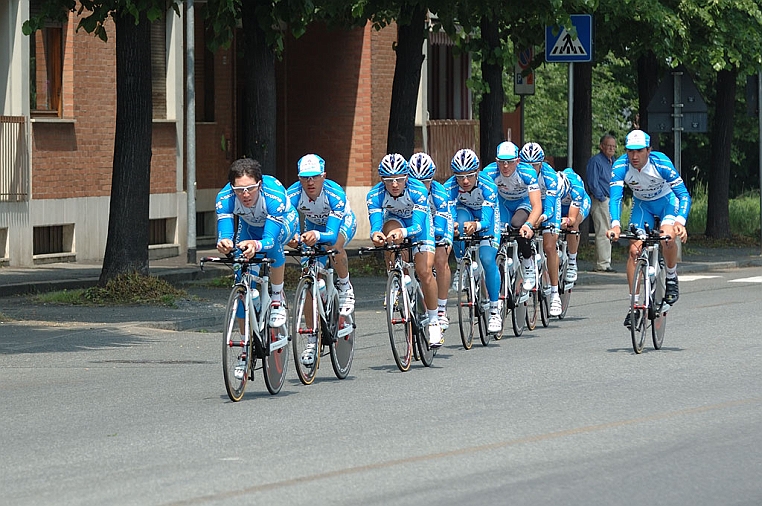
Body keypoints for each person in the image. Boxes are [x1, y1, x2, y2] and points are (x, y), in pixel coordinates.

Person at [606, 130, 691, 329]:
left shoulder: (660, 163)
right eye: (630, 152)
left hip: (667, 202)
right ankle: (634, 305)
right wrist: (615, 225)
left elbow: (684, 195)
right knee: (634, 250)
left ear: (648, 150)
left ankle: (671, 276)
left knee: (666, 238)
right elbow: (616, 198)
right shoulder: (620, 166)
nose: (634, 157)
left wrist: (680, 222)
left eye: (639, 151)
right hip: (642, 205)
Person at [286, 154, 357, 366]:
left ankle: (345, 287)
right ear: (299, 178)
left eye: (315, 177)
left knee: (333, 247)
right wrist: (292, 237)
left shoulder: (334, 193)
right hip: (314, 225)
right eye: (305, 178)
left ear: (323, 176)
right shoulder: (292, 194)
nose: (310, 182)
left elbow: (331, 235)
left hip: (340, 224)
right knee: (309, 279)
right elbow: (286, 222)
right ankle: (311, 338)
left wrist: (316, 236)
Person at [366, 153, 442, 348]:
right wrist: (376, 235)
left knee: (424, 272)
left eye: (399, 179)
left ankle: (434, 321)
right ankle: (395, 277)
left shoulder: (418, 190)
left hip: (420, 226)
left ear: (406, 177)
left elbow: (417, 227)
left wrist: (404, 232)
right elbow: (375, 225)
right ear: (382, 179)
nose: (394, 184)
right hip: (395, 221)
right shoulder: (374, 195)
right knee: (388, 233)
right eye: (389, 180)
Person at [215, 158, 298, 333]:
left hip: (283, 224)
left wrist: (255, 244)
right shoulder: (225, 198)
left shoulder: (274, 195)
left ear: (259, 185)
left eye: (250, 188)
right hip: (250, 227)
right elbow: (226, 234)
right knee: (241, 282)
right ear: (232, 187)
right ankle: (246, 349)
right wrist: (225, 243)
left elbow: (268, 239)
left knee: (272, 245)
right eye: (239, 190)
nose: (245, 194)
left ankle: (277, 298)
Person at [443, 148, 503, 334]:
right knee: (457, 224)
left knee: (486, 258)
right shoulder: (449, 187)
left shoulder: (488, 185)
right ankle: (462, 265)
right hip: (466, 214)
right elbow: (450, 214)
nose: (465, 181)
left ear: (477, 172)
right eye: (460, 177)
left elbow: (485, 220)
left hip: (488, 218)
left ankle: (494, 310)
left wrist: (476, 226)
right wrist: (452, 226)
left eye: (469, 176)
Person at [481, 141, 544, 291]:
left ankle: (528, 262)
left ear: (517, 161)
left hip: (523, 202)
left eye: (509, 162)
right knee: (497, 231)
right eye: (501, 162)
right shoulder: (489, 173)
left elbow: (537, 206)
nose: (505, 166)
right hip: (503, 204)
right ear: (496, 161)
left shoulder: (527, 173)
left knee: (517, 225)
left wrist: (528, 225)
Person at [408, 152, 454, 331]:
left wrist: (436, 240)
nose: (421, 186)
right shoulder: (407, 191)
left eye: (425, 182)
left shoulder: (439, 192)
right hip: (417, 225)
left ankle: (441, 310)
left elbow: (440, 227)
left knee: (440, 259)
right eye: (416, 181)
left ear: (432, 179)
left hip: (438, 223)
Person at [519, 142, 563, 317]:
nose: (530, 168)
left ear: (541, 163)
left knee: (549, 246)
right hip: (529, 205)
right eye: (526, 165)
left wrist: (540, 219)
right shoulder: (518, 173)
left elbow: (550, 209)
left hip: (548, 208)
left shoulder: (549, 176)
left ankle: (554, 294)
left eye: (534, 165)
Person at [586, 134, 618, 272]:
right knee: (603, 231)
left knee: (609, 231)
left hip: (611, 200)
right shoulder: (596, 161)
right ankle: (603, 264)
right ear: (601, 146)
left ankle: (605, 262)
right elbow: (592, 183)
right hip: (601, 200)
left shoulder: (613, 162)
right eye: (608, 146)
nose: (611, 148)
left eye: (613, 146)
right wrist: (602, 198)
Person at [556, 168, 591, 283]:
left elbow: (572, 218)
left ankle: (572, 261)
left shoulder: (576, 188)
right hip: (559, 206)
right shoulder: (550, 184)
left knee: (573, 225)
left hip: (579, 203)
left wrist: (568, 221)